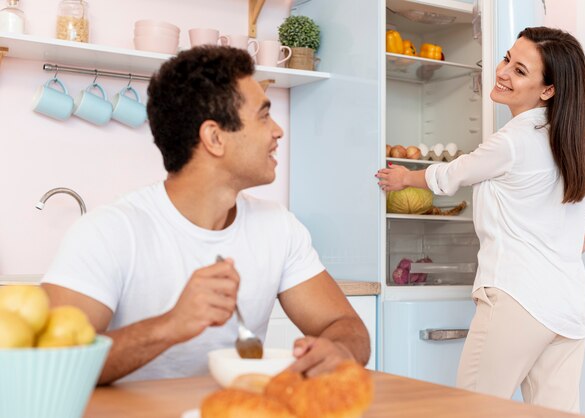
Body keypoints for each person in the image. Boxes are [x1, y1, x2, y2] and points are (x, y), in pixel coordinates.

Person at [41, 46, 370, 384]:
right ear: (214, 137)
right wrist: (171, 325)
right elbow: (52, 363)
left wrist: (338, 351)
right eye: (264, 115)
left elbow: (347, 327)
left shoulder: (278, 227)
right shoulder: (108, 232)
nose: (278, 131)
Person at [376, 26, 585, 413]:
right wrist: (569, 248)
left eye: (520, 70)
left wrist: (405, 177)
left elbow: (454, 174)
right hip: (568, 306)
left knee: (473, 409)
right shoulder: (576, 141)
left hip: (516, 300)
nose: (503, 71)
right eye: (507, 58)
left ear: (548, 90)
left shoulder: (513, 140)